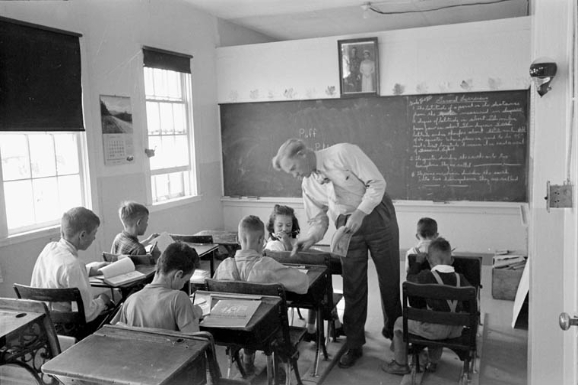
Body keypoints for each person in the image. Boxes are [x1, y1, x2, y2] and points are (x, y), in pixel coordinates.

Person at [272, 138, 401, 369]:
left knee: (389, 279)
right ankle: (354, 343)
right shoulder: (308, 184)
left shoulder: (343, 153)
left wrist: (360, 213)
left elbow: (377, 183)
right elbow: (318, 220)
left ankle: (396, 334)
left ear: (302, 154)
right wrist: (310, 238)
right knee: (353, 284)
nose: (294, 175)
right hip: (346, 227)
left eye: (293, 169)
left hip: (377, 215)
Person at [214, 215, 309, 372]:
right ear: (260, 241)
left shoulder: (223, 266)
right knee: (265, 313)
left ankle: (248, 357)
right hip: (265, 333)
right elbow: (303, 284)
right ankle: (277, 361)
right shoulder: (267, 266)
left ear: (238, 239)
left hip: (232, 332)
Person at [382, 237, 471, 375]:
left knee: (400, 323)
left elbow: (409, 280)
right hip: (456, 329)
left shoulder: (425, 276)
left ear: (429, 261)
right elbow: (469, 305)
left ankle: (400, 363)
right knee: (440, 317)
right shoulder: (461, 278)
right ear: (452, 260)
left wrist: (417, 263)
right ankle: (433, 362)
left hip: (433, 330)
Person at [31, 207, 114, 331]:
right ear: (82, 235)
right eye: (94, 234)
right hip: (71, 328)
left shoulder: (49, 249)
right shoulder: (74, 265)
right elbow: (88, 314)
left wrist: (89, 270)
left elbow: (60, 276)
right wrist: (102, 300)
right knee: (115, 307)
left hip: (45, 324)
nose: (94, 238)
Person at [112, 242, 203, 333]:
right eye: (185, 281)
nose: (183, 285)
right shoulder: (179, 299)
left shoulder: (130, 300)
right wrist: (193, 316)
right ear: (178, 275)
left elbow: (115, 330)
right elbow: (194, 343)